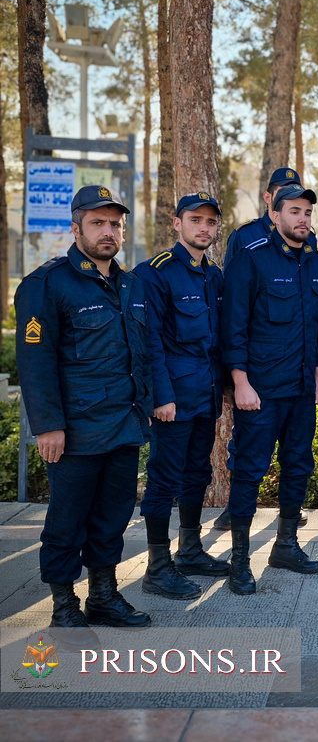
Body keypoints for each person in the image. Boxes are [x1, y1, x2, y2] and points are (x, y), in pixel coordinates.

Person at [16, 185, 153, 635]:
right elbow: (35, 363)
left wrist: (146, 410)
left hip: (122, 425)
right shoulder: (47, 284)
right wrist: (48, 427)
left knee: (112, 516)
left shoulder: (128, 283)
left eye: (114, 223)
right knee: (67, 519)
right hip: (74, 431)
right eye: (98, 223)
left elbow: (142, 354)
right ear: (76, 228)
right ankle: (62, 603)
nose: (108, 231)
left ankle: (103, 596)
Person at [221, 185, 318, 594]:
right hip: (261, 391)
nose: (303, 219)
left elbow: (317, 325)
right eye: (295, 211)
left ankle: (285, 545)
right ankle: (240, 560)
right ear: (276, 214)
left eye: (307, 212)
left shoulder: (315, 262)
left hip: (301, 388)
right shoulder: (252, 259)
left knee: (298, 466)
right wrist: (240, 381)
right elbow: (234, 325)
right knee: (249, 471)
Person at [134, 193, 229, 601]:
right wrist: (160, 396)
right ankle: (157, 567)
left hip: (204, 396)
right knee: (163, 480)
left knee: (198, 475)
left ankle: (190, 550)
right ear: (177, 224)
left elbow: (218, 340)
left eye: (210, 221)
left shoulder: (214, 275)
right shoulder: (154, 273)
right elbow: (149, 340)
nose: (204, 227)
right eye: (196, 220)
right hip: (173, 400)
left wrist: (225, 386)